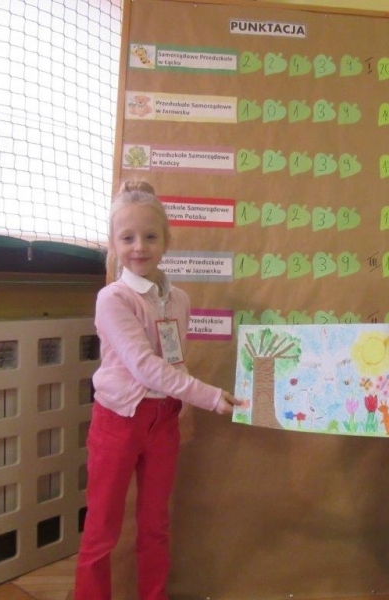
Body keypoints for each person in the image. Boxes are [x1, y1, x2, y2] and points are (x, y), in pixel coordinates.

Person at [74, 180, 242, 600]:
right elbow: (145, 367)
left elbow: (173, 360)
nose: (139, 247)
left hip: (163, 421)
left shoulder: (179, 299)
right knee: (101, 529)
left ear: (167, 240)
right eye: (127, 238)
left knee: (155, 526)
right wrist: (208, 396)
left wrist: (185, 403)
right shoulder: (113, 299)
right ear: (114, 244)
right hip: (117, 421)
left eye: (150, 236)